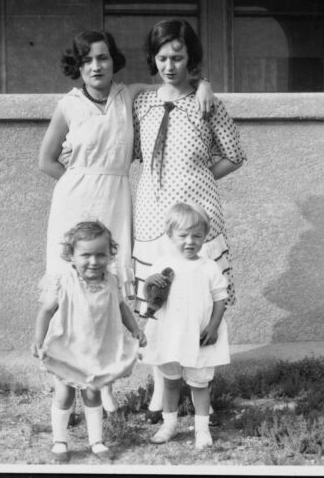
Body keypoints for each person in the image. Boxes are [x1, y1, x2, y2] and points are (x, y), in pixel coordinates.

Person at [37, 30, 214, 416]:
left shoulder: (129, 94)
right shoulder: (67, 105)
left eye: (102, 58)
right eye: (87, 61)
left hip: (116, 200)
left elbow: (173, 81)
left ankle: (107, 381)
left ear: (112, 60)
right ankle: (72, 379)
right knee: (74, 292)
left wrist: (205, 86)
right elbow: (47, 160)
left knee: (111, 290)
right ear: (78, 67)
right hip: (74, 204)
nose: (96, 66)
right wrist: (79, 182)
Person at [131, 18, 246, 424]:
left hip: (198, 218)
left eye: (178, 57)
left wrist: (196, 177)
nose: (169, 65)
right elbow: (130, 149)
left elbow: (234, 154)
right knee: (156, 301)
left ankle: (201, 392)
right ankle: (162, 389)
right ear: (153, 59)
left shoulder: (206, 101)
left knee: (195, 299)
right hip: (151, 214)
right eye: (162, 57)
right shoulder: (141, 102)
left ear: (190, 59)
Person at [32, 221, 147, 462]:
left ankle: (96, 440)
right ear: (71, 256)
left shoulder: (112, 281)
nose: (93, 261)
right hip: (66, 349)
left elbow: (121, 308)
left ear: (110, 254)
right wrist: (39, 341)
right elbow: (45, 312)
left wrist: (135, 329)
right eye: (86, 255)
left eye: (100, 255)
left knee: (92, 395)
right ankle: (60, 441)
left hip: (95, 351)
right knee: (64, 395)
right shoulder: (64, 281)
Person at [141, 203, 229, 449]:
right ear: (170, 236)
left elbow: (221, 299)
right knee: (170, 381)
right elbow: (150, 295)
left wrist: (213, 327)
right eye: (183, 236)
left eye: (197, 236)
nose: (190, 241)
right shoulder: (162, 264)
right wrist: (149, 282)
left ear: (205, 237)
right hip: (170, 333)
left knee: (200, 383)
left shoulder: (209, 267)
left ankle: (202, 430)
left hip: (198, 334)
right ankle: (169, 424)